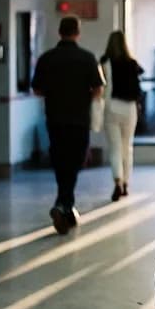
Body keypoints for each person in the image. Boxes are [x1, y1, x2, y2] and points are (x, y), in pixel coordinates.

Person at [32, 15, 104, 235]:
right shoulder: (87, 58)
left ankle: (64, 204)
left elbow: (37, 89)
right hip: (79, 120)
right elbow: (99, 89)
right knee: (74, 161)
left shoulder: (47, 58)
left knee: (60, 160)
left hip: (55, 118)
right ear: (77, 32)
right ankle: (64, 204)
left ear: (59, 32)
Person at [99, 30, 143, 202]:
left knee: (115, 148)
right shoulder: (132, 63)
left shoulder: (105, 62)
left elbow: (100, 87)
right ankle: (126, 183)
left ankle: (117, 180)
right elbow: (138, 89)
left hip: (112, 107)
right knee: (127, 147)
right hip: (129, 108)